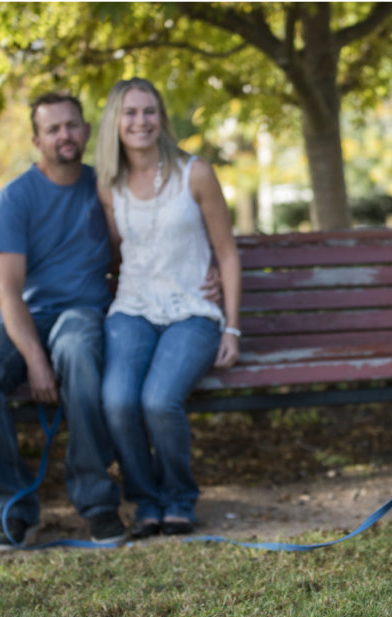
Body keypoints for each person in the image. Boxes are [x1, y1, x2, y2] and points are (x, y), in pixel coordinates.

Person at [0, 92, 127, 550]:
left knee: (77, 351)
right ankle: (11, 510)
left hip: (82, 314)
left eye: (71, 125)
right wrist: (34, 358)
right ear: (37, 140)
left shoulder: (105, 187)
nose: (64, 136)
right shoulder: (15, 198)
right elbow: (8, 293)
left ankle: (97, 503)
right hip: (24, 318)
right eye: (53, 129)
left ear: (87, 131)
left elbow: (128, 254)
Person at [95, 77, 242, 538]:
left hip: (193, 311)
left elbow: (227, 253)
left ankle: (179, 498)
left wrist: (232, 328)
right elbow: (118, 256)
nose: (141, 121)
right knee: (118, 401)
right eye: (130, 113)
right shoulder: (109, 185)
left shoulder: (194, 174)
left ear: (162, 117)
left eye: (149, 111)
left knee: (158, 401)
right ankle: (145, 502)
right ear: (115, 123)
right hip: (132, 308)